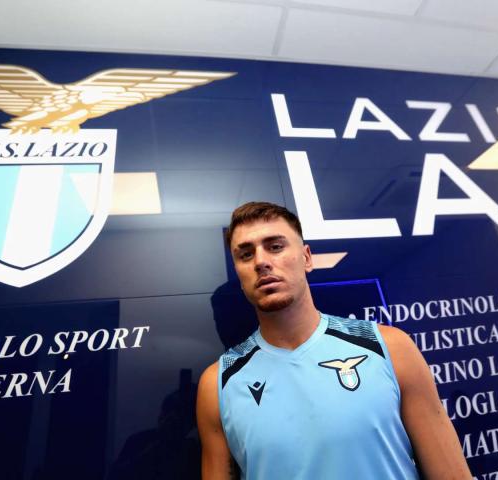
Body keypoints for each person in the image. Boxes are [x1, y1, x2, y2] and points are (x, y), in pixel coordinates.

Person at [196, 201, 471, 479]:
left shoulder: (389, 347)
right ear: (238, 272)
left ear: (307, 258)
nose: (261, 261)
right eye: (246, 254)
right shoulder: (218, 385)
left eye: (275, 246)